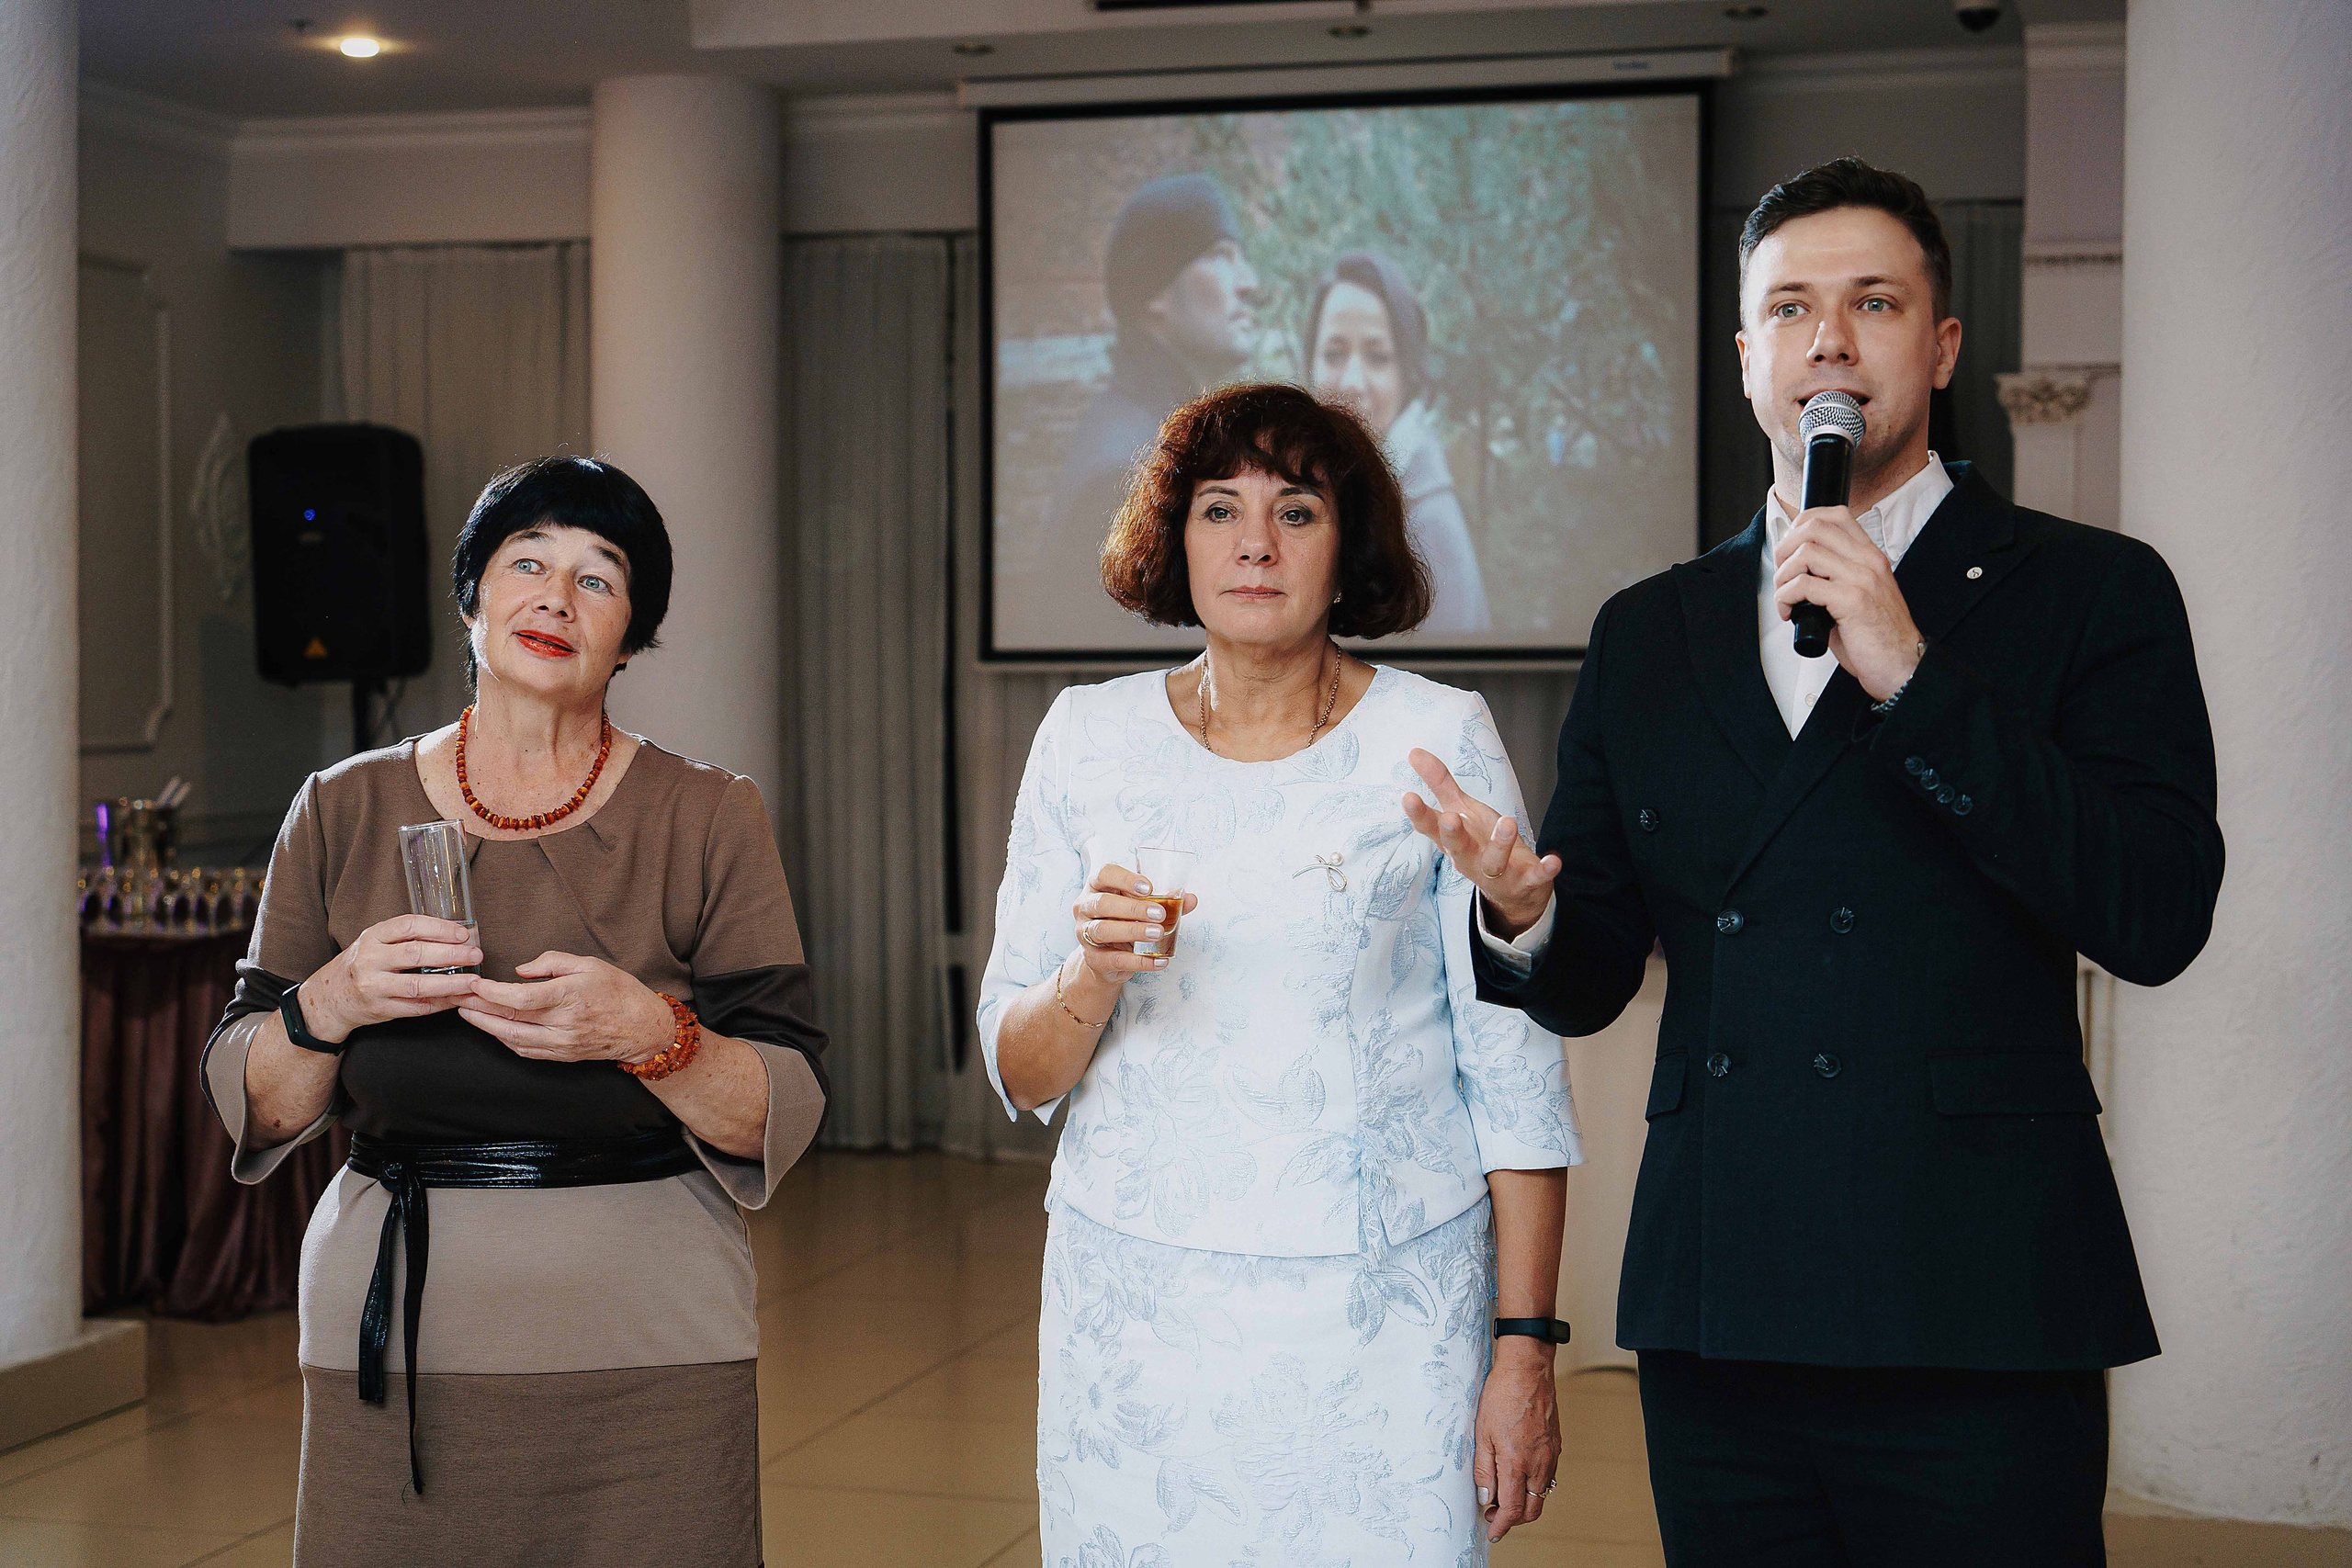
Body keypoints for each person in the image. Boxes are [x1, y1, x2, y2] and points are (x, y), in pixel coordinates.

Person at [1407, 157, 2225, 1565]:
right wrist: (1524, 913)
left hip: (1976, 1288)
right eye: (1791, 308)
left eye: (1874, 302)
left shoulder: (2094, 590)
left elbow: (2154, 911)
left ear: (1943, 345)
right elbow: (1593, 974)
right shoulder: (1650, 628)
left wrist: (1914, 673)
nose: (1830, 339)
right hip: (1726, 1293)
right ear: (1746, 358)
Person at [980, 382, 1579, 1564]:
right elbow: (1018, 1069)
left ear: (1346, 544)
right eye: (1218, 508)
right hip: (1138, 1313)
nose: (1254, 542)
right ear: (1174, 539)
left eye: (1296, 510)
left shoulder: (1438, 738)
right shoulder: (1084, 738)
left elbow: (1514, 1078)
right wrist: (1090, 976)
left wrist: (1525, 1349)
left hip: (1383, 1311)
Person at [200, 456, 830, 1567]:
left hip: (650, 1333)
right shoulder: (343, 805)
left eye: (600, 579)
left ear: (631, 639)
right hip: (392, 1336)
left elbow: (781, 1101)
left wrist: (652, 1035)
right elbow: (250, 1096)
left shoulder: (707, 812)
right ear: (471, 598)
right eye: (526, 563)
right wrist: (330, 1001)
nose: (554, 595)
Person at [1042, 173, 1261, 570]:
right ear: (1155, 292)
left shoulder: (1171, 438)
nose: (1249, 283)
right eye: (1220, 256)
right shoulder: (1124, 475)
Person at [1306, 248, 1493, 634]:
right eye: (1334, 354)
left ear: (1407, 377)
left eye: (1377, 357)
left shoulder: (1428, 529)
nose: (1353, 383)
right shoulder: (1334, 492)